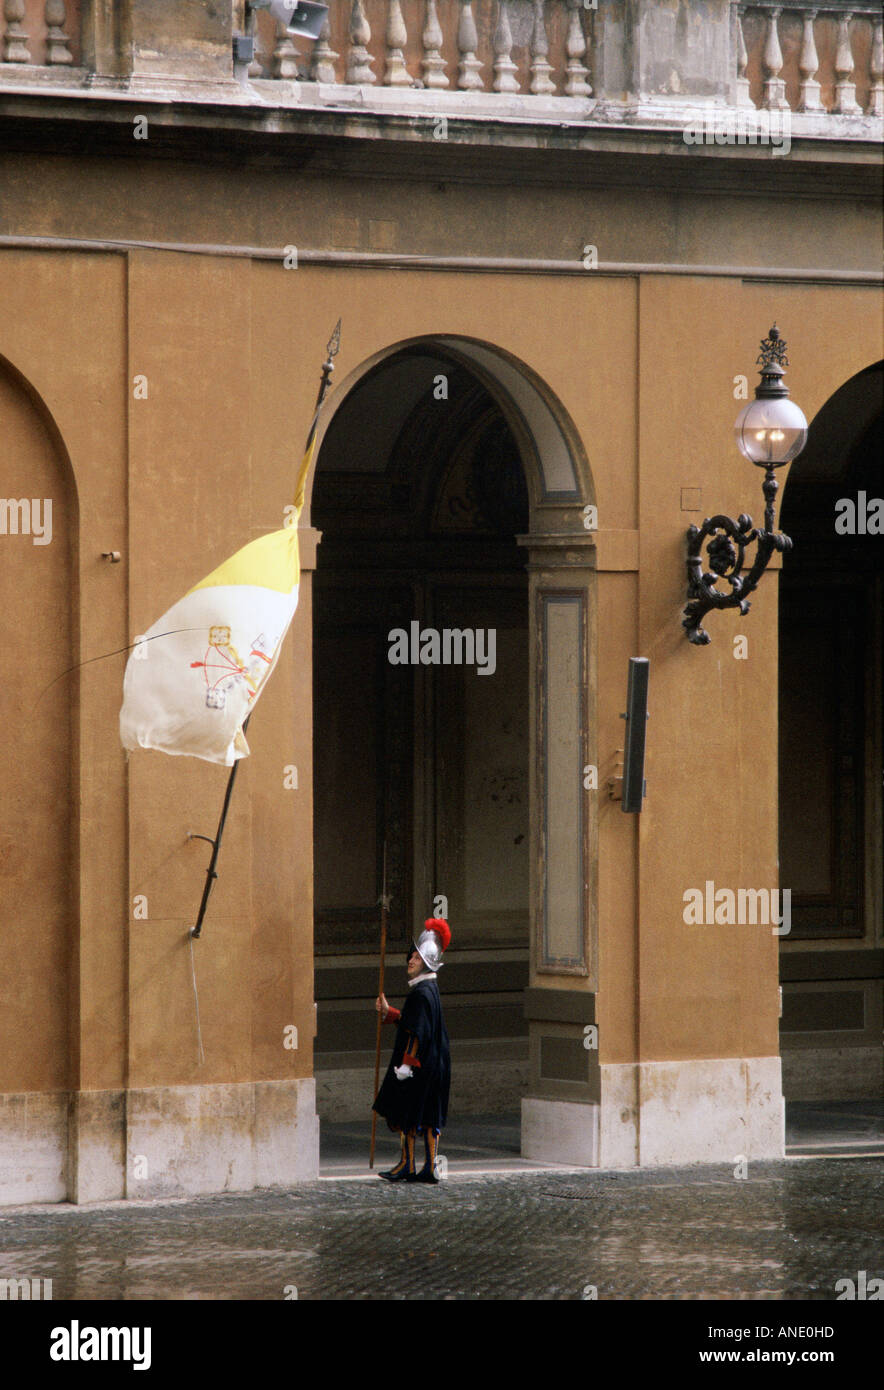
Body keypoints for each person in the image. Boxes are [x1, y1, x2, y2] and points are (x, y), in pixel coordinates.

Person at [373, 917, 451, 1183]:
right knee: (428, 1112)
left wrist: (406, 1065)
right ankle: (429, 1167)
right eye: (411, 956)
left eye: (416, 958)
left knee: (407, 1110)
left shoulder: (421, 993)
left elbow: (416, 1033)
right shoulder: (429, 989)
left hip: (419, 1065)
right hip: (434, 1063)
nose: (410, 960)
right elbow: (413, 1023)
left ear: (427, 961)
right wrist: (390, 1012)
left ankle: (408, 1164)